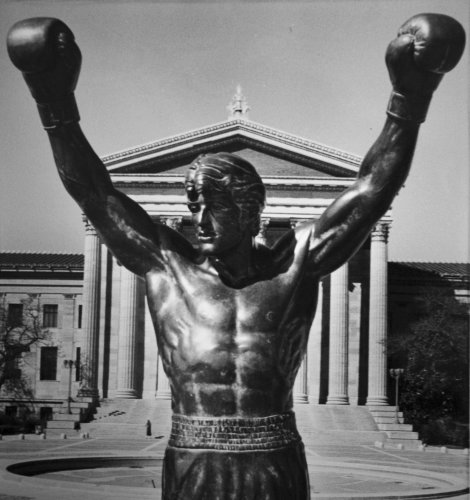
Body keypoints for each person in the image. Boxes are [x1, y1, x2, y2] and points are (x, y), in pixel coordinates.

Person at [7, 14, 465, 500]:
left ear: (249, 212)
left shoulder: (296, 267)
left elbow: (372, 188)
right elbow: (96, 196)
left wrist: (410, 100)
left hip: (276, 458)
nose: (200, 220)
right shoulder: (169, 269)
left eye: (215, 206)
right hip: (192, 458)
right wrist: (52, 100)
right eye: (194, 206)